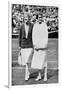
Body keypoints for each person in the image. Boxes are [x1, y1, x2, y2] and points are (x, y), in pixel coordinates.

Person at [31, 14, 48, 81]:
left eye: (41, 17)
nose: (40, 19)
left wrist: (44, 45)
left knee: (44, 62)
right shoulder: (35, 25)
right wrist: (35, 45)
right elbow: (33, 36)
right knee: (38, 62)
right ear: (37, 19)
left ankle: (45, 76)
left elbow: (46, 35)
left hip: (43, 47)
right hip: (37, 47)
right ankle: (39, 75)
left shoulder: (44, 25)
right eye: (39, 17)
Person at [19, 14, 33, 81]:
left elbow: (33, 35)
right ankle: (27, 72)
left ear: (29, 19)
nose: (26, 20)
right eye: (24, 19)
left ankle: (26, 74)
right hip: (23, 45)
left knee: (27, 60)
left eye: (27, 19)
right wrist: (19, 45)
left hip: (30, 45)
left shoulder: (32, 25)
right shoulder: (22, 26)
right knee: (26, 62)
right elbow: (20, 36)